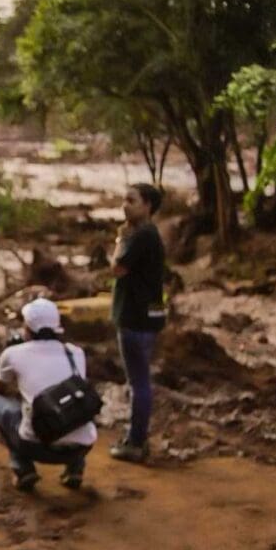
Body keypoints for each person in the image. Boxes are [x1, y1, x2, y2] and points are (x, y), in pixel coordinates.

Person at [0, 298, 98, 491]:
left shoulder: (13, 353)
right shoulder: (75, 353)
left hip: (36, 446)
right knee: (74, 405)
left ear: (27, 327)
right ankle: (75, 468)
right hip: (82, 446)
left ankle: (22, 467)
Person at [109, 183, 166, 464]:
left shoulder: (139, 235)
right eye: (124, 199)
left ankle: (135, 441)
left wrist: (120, 238)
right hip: (150, 315)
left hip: (134, 317)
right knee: (141, 379)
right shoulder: (151, 234)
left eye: (131, 200)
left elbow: (117, 268)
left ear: (147, 206)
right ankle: (137, 436)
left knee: (138, 382)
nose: (125, 204)